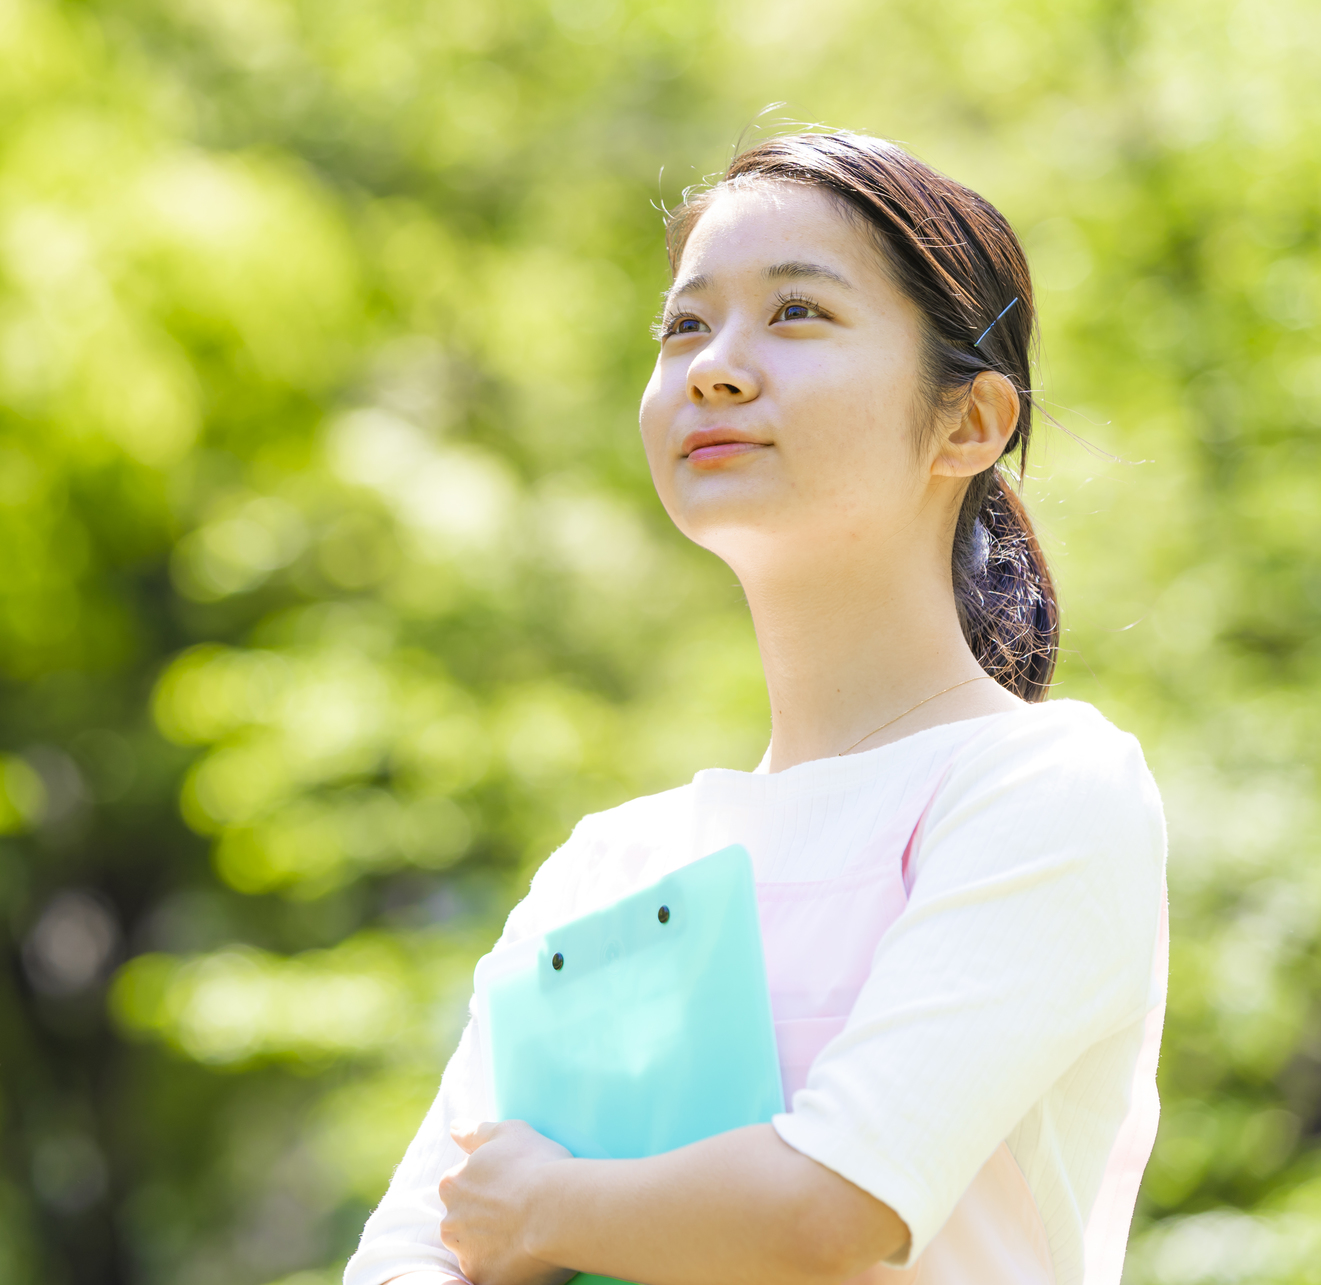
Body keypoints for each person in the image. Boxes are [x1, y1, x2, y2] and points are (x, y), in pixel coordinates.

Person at [342, 131, 1168, 1285]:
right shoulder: (606, 864)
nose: (712, 369)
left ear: (968, 423)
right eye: (684, 325)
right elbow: (405, 1258)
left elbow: (827, 1207)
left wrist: (541, 1211)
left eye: (795, 315)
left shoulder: (1042, 788)